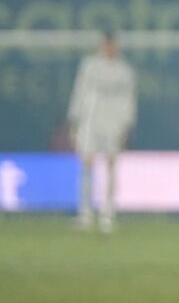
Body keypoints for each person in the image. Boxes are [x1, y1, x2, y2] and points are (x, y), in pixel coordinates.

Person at [67, 30, 137, 233]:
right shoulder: (90, 66)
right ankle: (85, 213)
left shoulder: (125, 70)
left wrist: (127, 123)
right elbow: (80, 91)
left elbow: (129, 100)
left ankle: (108, 213)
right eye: (106, 45)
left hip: (113, 123)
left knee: (111, 165)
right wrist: (74, 118)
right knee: (87, 163)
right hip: (91, 121)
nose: (109, 48)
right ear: (102, 46)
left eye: (112, 45)